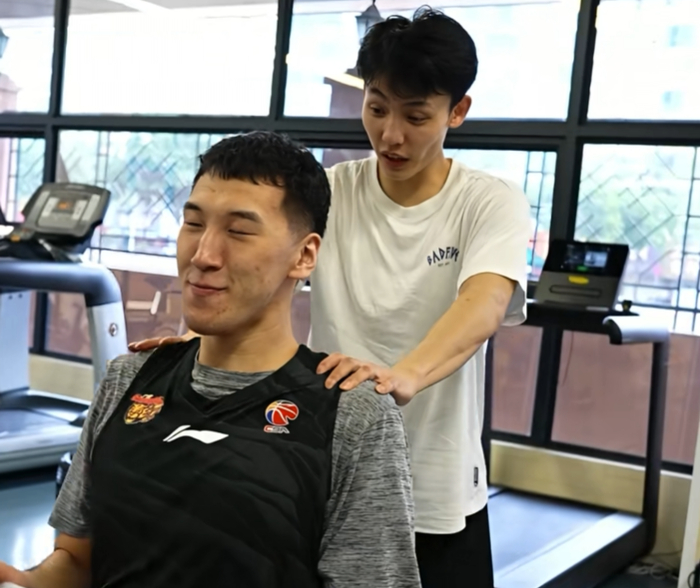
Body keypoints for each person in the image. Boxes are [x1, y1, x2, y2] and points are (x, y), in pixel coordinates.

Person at [131, 8, 531, 588]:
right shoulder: (332, 192)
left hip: (435, 478)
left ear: (458, 111)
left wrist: (404, 375)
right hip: (323, 461)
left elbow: (484, 303)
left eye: (416, 116)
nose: (391, 135)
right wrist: (193, 341)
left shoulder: (489, 200)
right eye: (377, 108)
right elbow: (256, 273)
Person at [0, 132, 421, 588]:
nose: (203, 255)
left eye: (239, 231)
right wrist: (22, 582)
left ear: (304, 255)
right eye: (194, 223)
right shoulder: (128, 378)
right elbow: (77, 561)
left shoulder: (354, 415)